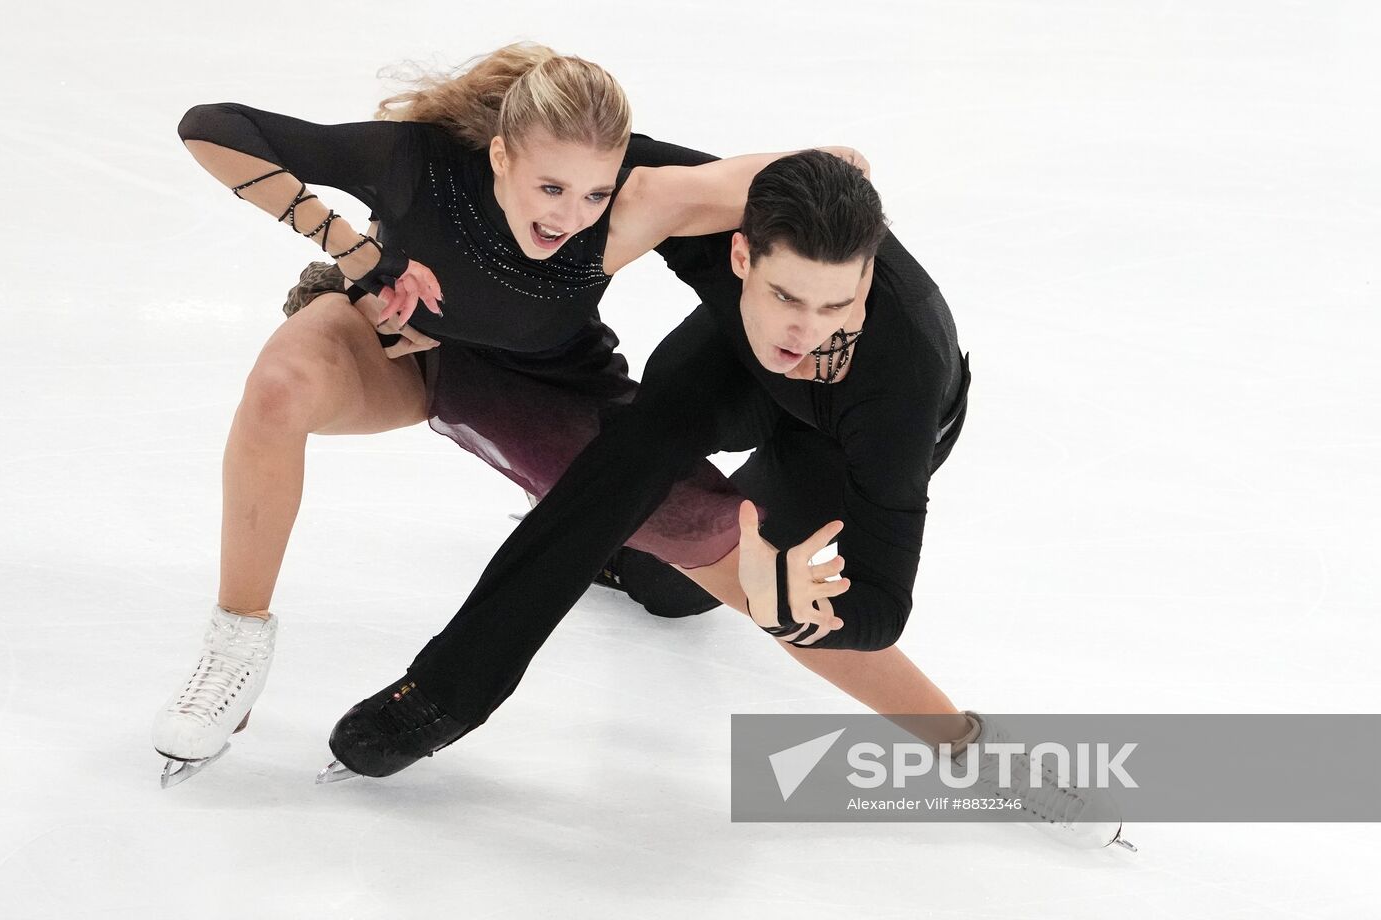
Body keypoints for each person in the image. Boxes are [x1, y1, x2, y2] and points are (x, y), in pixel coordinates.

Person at [320, 152, 1134, 850]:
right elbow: (566, 156)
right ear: (740, 254)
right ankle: (446, 692)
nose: (808, 330)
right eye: (788, 295)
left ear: (867, 281)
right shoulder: (700, 214)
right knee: (626, 467)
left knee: (698, 590)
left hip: (848, 439)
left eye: (836, 305)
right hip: (732, 366)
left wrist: (795, 612)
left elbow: (884, 604)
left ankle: (978, 753)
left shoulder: (900, 382)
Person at [148, 41, 895, 787]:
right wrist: (352, 251)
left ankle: (950, 735)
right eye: (550, 187)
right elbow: (211, 126)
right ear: (501, 156)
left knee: (719, 551)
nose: (570, 216)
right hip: (404, 348)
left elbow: (840, 167)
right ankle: (235, 644)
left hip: (545, 391)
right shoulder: (418, 164)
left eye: (594, 195)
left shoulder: (639, 196)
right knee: (279, 387)